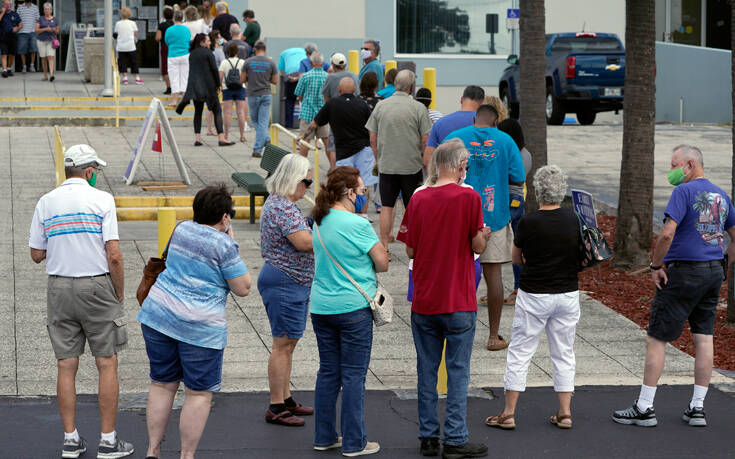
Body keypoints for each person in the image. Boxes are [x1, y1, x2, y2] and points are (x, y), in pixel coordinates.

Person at [613, 145, 735, 428]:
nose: (672, 171)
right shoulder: (721, 195)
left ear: (690, 164)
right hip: (713, 271)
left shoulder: (683, 192)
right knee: (704, 337)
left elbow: (667, 233)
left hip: (683, 272)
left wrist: (656, 266)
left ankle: (644, 407)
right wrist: (723, 264)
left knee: (657, 338)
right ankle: (697, 408)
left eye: (674, 165)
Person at [29, 144, 134, 459]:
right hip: (96, 286)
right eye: (96, 172)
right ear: (89, 172)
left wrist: (64, 243)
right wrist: (118, 293)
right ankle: (108, 440)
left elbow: (36, 254)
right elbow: (113, 255)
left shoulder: (46, 202)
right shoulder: (101, 200)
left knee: (66, 364)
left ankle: (71, 440)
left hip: (59, 288)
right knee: (106, 362)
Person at [137, 184, 252, 459]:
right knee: (198, 394)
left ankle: (153, 450)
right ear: (225, 216)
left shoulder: (181, 228)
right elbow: (243, 287)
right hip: (199, 328)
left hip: (158, 316)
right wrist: (230, 239)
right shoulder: (224, 244)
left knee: (161, 384)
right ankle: (186, 456)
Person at [397, 140, 490, 459]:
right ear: (461, 164)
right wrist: (484, 236)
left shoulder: (419, 199)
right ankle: (455, 437)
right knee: (458, 370)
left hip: (425, 297)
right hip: (459, 297)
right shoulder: (470, 197)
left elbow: (409, 249)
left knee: (427, 369)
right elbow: (477, 246)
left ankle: (428, 437)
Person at [486, 165, 581, 431]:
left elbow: (517, 259)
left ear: (537, 192)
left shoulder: (528, 222)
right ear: (561, 191)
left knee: (520, 351)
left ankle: (509, 412)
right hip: (567, 292)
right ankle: (565, 412)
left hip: (535, 293)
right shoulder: (574, 220)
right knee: (563, 352)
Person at [310, 166, 389, 456]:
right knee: (354, 375)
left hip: (321, 306)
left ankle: (324, 436)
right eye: (362, 190)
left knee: (328, 372)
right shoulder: (357, 224)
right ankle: (355, 442)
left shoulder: (319, 220)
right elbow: (382, 263)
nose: (363, 195)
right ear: (349, 193)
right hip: (352, 307)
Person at [445, 104, 525, 351]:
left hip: (457, 215)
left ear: (474, 119)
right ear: (496, 121)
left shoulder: (456, 139)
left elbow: (437, 169)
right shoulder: (506, 140)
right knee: (493, 276)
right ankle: (492, 336)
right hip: (494, 216)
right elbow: (519, 176)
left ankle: (455, 334)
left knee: (456, 275)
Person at [258, 154, 315, 427]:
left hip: (290, 279)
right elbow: (304, 242)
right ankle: (276, 405)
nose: (309, 187)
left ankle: (286, 398)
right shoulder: (283, 207)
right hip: (285, 280)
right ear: (294, 179)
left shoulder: (284, 204)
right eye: (307, 181)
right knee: (282, 345)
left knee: (289, 343)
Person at [366, 69, 432, 250]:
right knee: (412, 206)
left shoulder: (381, 106)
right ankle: (413, 245)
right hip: (411, 165)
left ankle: (384, 245)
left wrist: (378, 158)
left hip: (387, 164)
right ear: (411, 87)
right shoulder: (418, 108)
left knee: (387, 206)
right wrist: (421, 157)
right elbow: (425, 138)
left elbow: (372, 137)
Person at [307, 77, 377, 214]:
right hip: (363, 149)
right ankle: (363, 214)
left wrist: (302, 136)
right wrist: (375, 150)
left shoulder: (332, 104)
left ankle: (344, 212)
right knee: (364, 183)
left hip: (343, 152)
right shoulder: (362, 104)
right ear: (355, 90)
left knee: (342, 184)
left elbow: (315, 123)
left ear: (339, 90)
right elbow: (372, 129)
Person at [497, 118, 532, 306]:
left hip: (511, 200)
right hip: (515, 199)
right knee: (513, 242)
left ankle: (518, 288)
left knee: (513, 244)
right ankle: (506, 288)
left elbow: (512, 178)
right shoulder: (522, 153)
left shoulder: (516, 154)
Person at [176, 33, 233, 147]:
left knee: (198, 112)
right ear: (202, 42)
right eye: (208, 41)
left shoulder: (192, 54)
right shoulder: (208, 53)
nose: (210, 42)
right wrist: (218, 84)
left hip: (196, 87)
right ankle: (221, 138)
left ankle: (198, 139)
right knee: (217, 110)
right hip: (209, 86)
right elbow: (214, 69)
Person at [423, 85, 485, 166]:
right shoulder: (487, 125)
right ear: (482, 104)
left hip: (448, 174)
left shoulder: (440, 123)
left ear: (461, 100)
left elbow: (427, 159)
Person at [242, 39, 278, 157]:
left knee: (256, 121)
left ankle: (257, 150)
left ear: (254, 49)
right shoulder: (271, 63)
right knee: (262, 122)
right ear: (265, 50)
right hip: (266, 94)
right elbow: (275, 81)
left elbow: (242, 79)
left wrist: (250, 79)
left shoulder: (248, 62)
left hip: (252, 94)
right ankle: (266, 138)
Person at [295, 51, 328, 157]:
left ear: (311, 62)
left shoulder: (305, 76)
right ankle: (333, 168)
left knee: (305, 141)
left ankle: (303, 169)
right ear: (322, 62)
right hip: (324, 115)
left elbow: (299, 94)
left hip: (307, 114)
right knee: (328, 143)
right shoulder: (328, 77)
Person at [219, 41, 248, 143]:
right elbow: (245, 76)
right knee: (240, 112)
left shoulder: (224, 62)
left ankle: (226, 135)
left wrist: (219, 86)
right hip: (240, 88)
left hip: (227, 89)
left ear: (227, 52)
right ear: (237, 52)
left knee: (227, 113)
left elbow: (221, 77)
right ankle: (242, 135)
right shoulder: (242, 62)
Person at [165, 9, 191, 107]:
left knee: (174, 77)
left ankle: (175, 100)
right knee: (185, 77)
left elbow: (167, 42)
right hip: (185, 54)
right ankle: (185, 98)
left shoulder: (169, 29)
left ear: (173, 18)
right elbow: (189, 40)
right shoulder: (186, 29)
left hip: (173, 55)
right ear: (182, 18)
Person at [278, 45, 308, 129]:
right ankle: (305, 124)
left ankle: (289, 125)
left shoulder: (284, 53)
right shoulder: (305, 52)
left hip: (291, 75)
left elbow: (281, 69)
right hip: (304, 75)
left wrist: (286, 78)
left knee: (289, 100)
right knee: (305, 100)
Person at [114, 7, 142, 85]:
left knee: (123, 62)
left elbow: (116, 33)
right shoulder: (132, 23)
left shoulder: (118, 23)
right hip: (130, 45)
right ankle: (137, 77)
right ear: (129, 14)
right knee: (134, 61)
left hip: (121, 46)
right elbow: (135, 33)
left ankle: (125, 78)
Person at [34, 2, 57, 81]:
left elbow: (58, 31)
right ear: (43, 11)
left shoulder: (55, 19)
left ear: (51, 10)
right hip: (41, 41)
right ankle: (45, 75)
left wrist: (54, 30)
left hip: (51, 41)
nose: (47, 11)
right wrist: (45, 29)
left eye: (48, 9)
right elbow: (36, 30)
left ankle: (51, 75)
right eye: (45, 9)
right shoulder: (40, 19)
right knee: (43, 58)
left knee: (50, 57)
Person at [155, 6, 174, 94]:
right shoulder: (175, 24)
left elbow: (158, 38)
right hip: (174, 47)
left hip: (165, 47)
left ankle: (169, 87)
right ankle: (176, 87)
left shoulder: (162, 25)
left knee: (165, 68)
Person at [0, 0, 21, 77]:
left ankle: (9, 69)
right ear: (3, 5)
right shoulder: (1, 13)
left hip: (13, 37)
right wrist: (2, 12)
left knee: (12, 54)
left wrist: (17, 28)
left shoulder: (15, 14)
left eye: (9, 4)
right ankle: (4, 70)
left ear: (11, 5)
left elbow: (20, 24)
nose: (8, 5)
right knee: (4, 54)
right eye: (6, 4)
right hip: (3, 37)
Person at [16, 0, 38, 73]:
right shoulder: (20, 7)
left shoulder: (35, 7)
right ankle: (24, 66)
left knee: (33, 49)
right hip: (22, 32)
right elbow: (17, 19)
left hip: (32, 32)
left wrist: (36, 30)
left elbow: (37, 20)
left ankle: (32, 65)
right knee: (22, 50)